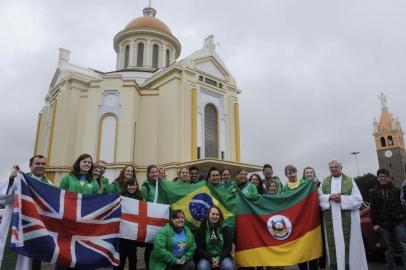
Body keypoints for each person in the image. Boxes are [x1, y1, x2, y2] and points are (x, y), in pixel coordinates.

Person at [318, 160, 367, 270]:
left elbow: (359, 200)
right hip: (331, 222)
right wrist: (329, 197)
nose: (334, 169)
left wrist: (342, 199)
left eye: (336, 167)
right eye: (331, 167)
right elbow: (318, 198)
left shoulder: (350, 181)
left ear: (341, 168)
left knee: (351, 247)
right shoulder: (324, 182)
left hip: (349, 221)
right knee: (334, 247)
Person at [370, 168, 406, 270]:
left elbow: (403, 205)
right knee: (388, 249)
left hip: (398, 222)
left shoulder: (397, 190)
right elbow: (373, 209)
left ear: (389, 178)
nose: (383, 178)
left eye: (385, 176)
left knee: (404, 247)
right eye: (380, 176)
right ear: (377, 178)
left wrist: (403, 217)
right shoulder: (373, 192)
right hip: (383, 224)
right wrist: (374, 223)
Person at [114, 179, 144, 270]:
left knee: (132, 256)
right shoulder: (120, 196)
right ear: (126, 186)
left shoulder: (140, 197)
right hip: (122, 231)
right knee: (120, 255)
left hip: (133, 231)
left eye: (134, 185)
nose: (132, 187)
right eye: (130, 185)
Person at [195, 206, 234, 270]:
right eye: (213, 214)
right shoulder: (202, 229)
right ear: (208, 215)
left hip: (222, 257)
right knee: (202, 267)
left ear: (219, 216)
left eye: (217, 214)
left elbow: (229, 247)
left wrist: (219, 257)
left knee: (229, 267)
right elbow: (199, 248)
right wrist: (211, 258)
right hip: (206, 258)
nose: (215, 216)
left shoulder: (225, 229)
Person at [141, 165, 161, 269]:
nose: (154, 174)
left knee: (159, 245)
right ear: (148, 174)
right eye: (152, 172)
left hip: (161, 219)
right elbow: (143, 203)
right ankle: (148, 267)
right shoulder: (146, 186)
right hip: (150, 220)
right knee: (150, 246)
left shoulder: (162, 185)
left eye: (156, 172)